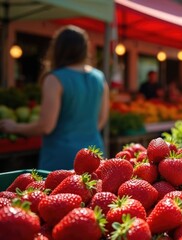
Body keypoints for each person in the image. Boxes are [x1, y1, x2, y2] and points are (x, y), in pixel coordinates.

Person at [0, 25, 109, 171]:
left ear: (58, 49)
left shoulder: (55, 78)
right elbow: (101, 120)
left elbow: (46, 126)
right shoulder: (99, 77)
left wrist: (15, 127)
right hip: (94, 153)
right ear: (84, 49)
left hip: (62, 157)